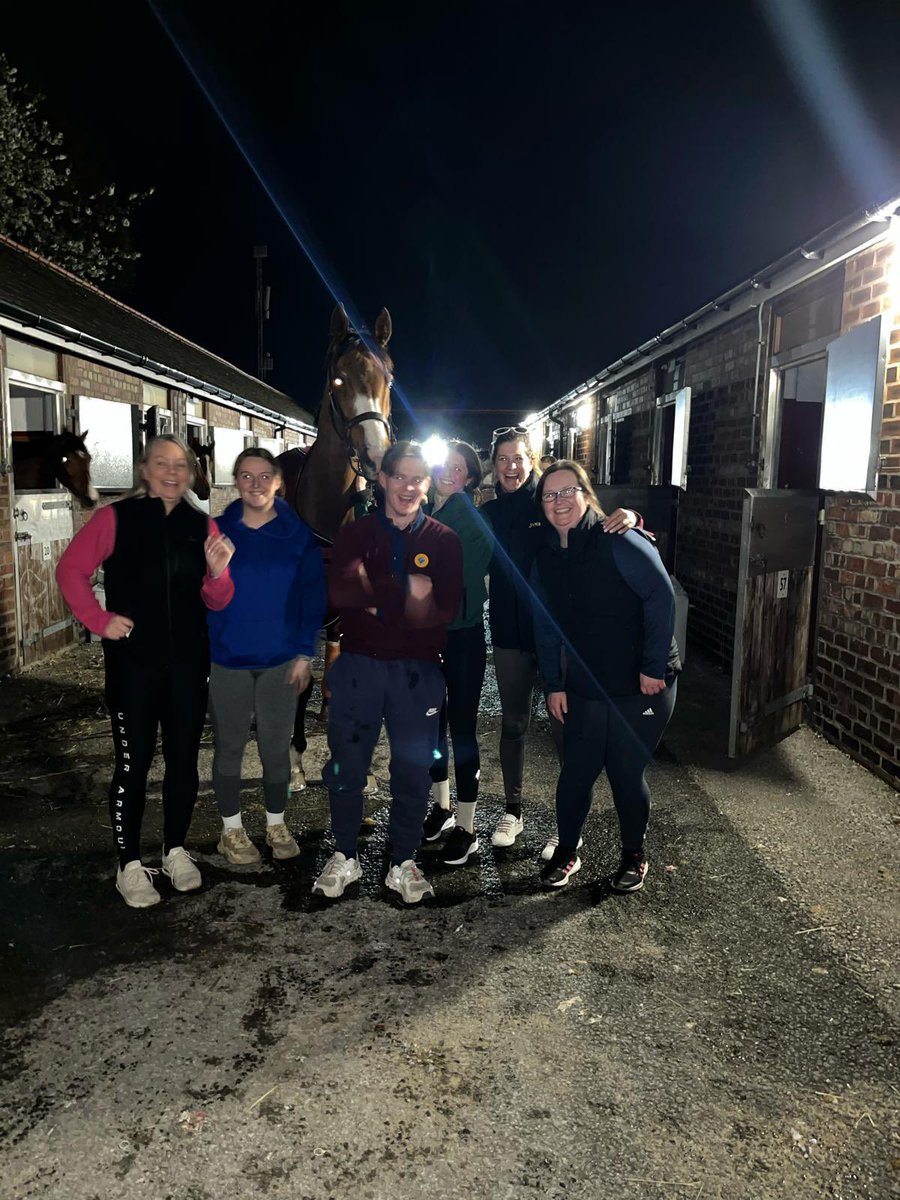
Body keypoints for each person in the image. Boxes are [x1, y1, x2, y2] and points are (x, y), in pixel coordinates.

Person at [56, 434, 235, 908]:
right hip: (134, 666)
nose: (173, 471)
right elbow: (70, 570)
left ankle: (175, 851)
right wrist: (98, 621)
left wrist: (218, 575)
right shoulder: (114, 518)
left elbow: (218, 599)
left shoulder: (203, 525)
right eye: (162, 462)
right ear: (145, 470)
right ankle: (129, 864)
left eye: (181, 464)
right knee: (133, 766)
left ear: (192, 473)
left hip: (188, 667)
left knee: (183, 763)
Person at [312, 440, 463, 904]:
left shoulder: (443, 540)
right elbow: (341, 591)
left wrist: (378, 596)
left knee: (413, 772)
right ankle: (344, 855)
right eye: (400, 476)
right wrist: (409, 597)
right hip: (359, 669)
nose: (408, 486)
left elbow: (445, 609)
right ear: (382, 479)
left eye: (418, 478)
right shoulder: (356, 533)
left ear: (426, 483)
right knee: (346, 767)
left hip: (418, 675)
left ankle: (403, 860)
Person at [480, 427, 636, 850]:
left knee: (564, 729)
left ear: (532, 460)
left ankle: (568, 824)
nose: (511, 467)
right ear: (493, 466)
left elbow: (595, 522)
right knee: (513, 724)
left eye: (518, 458)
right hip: (511, 634)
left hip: (559, 636)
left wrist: (634, 518)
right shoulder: (489, 513)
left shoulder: (549, 501)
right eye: (503, 459)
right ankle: (513, 812)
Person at [531, 460, 681, 891]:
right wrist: (554, 684)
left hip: (642, 683)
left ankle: (634, 855)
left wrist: (653, 666)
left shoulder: (618, 538)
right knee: (577, 769)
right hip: (586, 681)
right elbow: (545, 624)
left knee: (624, 770)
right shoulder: (546, 554)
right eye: (549, 494)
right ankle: (567, 852)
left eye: (567, 491)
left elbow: (661, 596)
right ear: (541, 503)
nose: (559, 501)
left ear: (585, 493)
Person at [206, 448, 326, 865]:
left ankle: (276, 822)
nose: (255, 485)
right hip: (228, 658)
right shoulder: (218, 530)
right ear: (236, 482)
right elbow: (202, 594)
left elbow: (313, 597)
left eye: (263, 476)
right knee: (230, 748)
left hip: (280, 659)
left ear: (279, 482)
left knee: (277, 749)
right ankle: (231, 831)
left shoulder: (297, 535)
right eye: (245, 476)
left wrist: (303, 653)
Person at [421, 441, 494, 865]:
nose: (448, 472)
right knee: (433, 730)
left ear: (468, 477)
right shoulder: (428, 511)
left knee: (462, 731)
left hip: (461, 638)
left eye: (458, 468)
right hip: (429, 640)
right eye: (443, 465)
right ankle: (442, 807)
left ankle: (467, 827)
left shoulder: (469, 518)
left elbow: (447, 580)